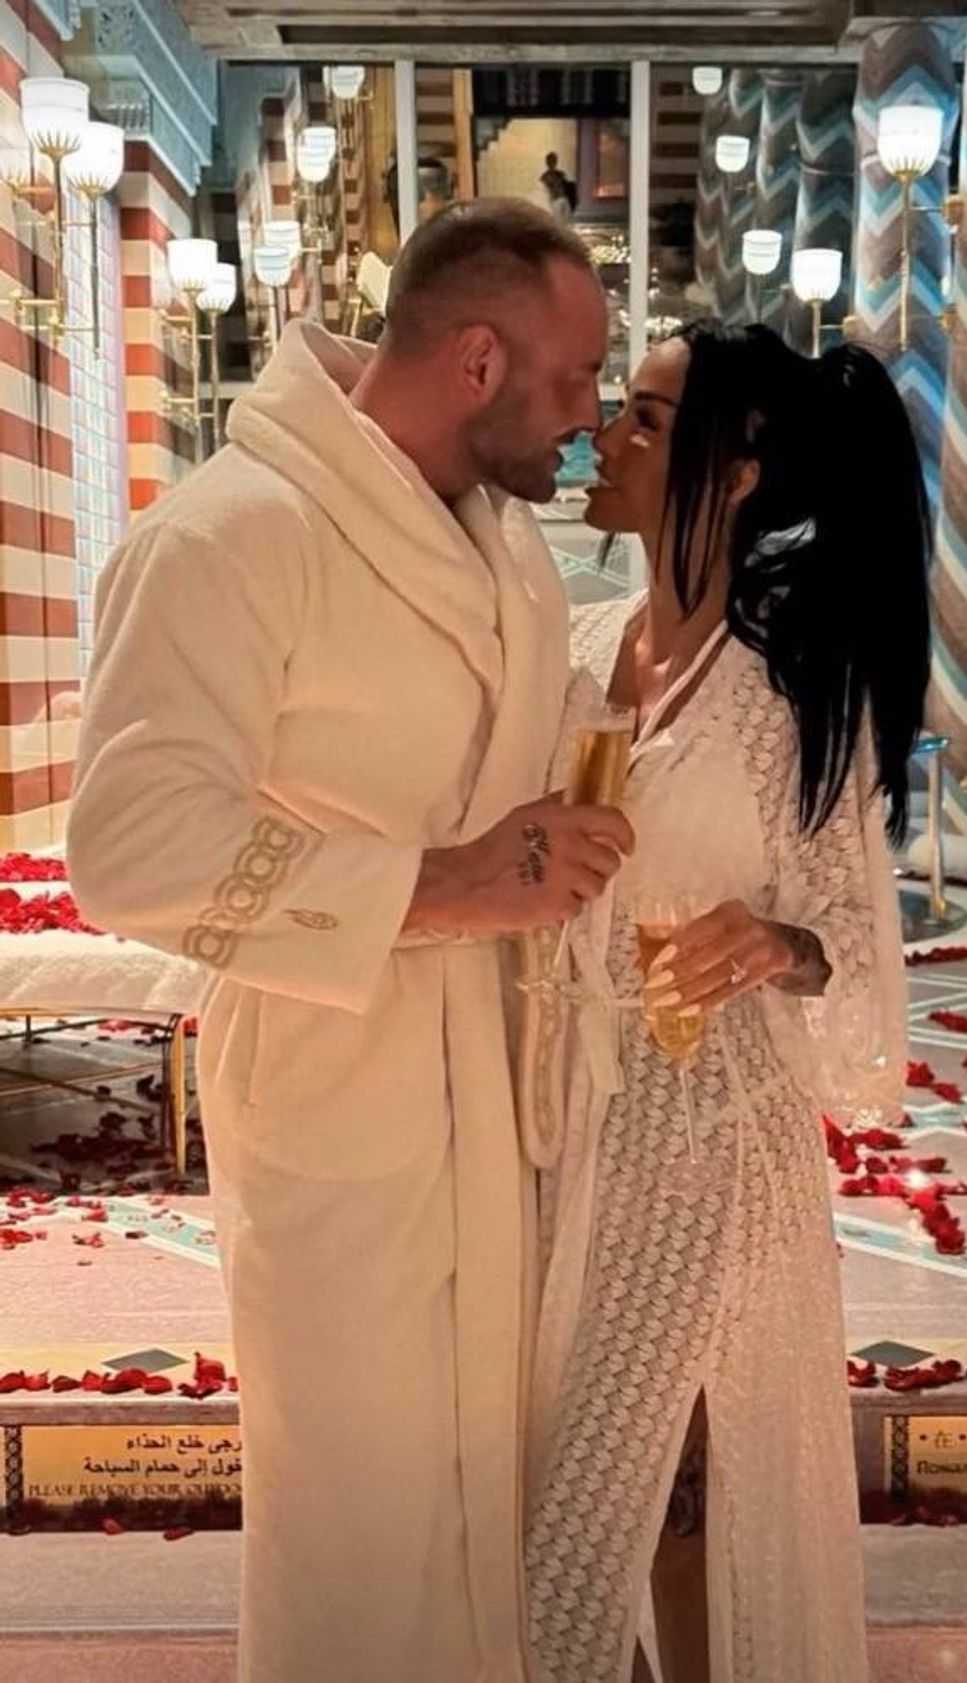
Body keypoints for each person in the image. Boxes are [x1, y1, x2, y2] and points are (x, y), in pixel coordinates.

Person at [67, 199, 634, 1683]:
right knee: (357, 1534)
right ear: (475, 357)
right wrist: (437, 883)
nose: (588, 416)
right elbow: (130, 846)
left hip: (498, 1104)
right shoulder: (231, 535)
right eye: (574, 382)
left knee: (477, 1515)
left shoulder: (506, 546)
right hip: (341, 1086)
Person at [523, 322, 930, 1682]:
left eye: (643, 416)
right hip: (573, 1122)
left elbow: (856, 949)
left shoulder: (786, 695)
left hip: (715, 1133)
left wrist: (778, 941)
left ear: (740, 469)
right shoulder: (574, 655)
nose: (606, 436)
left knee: (661, 1474)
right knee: (572, 1467)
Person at [540, 151, 575, 220]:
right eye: (550, 161)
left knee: (561, 215)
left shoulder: (560, 175)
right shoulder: (545, 177)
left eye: (553, 161)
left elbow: (567, 188)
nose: (552, 163)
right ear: (547, 163)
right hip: (554, 201)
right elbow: (543, 190)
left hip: (561, 200)